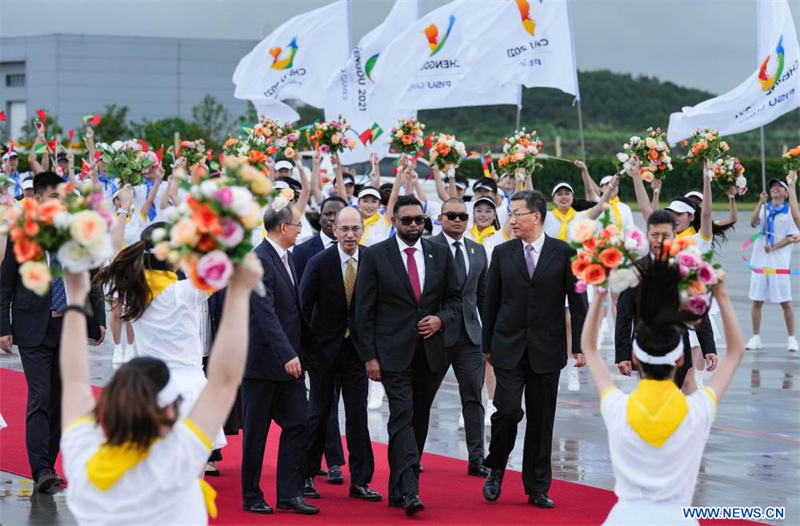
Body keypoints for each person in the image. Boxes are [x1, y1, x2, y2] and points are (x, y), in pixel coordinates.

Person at [59, 255, 263, 526]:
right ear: (169, 409)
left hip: (155, 376)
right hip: (184, 379)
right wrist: (241, 289)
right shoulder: (179, 460)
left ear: (109, 408)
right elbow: (225, 381)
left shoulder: (83, 461)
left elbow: (74, 385)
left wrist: (74, 298)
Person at [580, 248, 745, 526]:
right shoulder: (698, 409)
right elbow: (736, 351)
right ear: (681, 359)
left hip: (624, 518)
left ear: (634, 358)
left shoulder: (617, 407)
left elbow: (590, 350)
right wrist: (722, 294)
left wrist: (599, 294)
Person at [0, 171, 107, 491]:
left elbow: (92, 277)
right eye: (55, 197)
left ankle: (48, 462)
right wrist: (3, 327)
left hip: (69, 327)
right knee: (40, 395)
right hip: (32, 327)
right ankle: (41, 468)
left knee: (62, 399)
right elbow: (5, 284)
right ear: (38, 201)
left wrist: (98, 319)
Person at [355, 195, 461, 515]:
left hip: (430, 353)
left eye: (419, 220)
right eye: (407, 221)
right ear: (394, 222)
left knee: (419, 419)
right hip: (391, 352)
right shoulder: (375, 256)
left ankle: (397, 490)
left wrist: (441, 318)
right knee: (402, 415)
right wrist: (369, 357)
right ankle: (412, 491)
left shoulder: (440, 253)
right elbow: (363, 310)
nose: (414, 225)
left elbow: (455, 299)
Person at [481, 190, 588, 508]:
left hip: (548, 347)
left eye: (517, 214)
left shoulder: (565, 253)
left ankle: (537, 486)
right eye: (510, 214)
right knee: (508, 410)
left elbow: (578, 303)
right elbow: (491, 302)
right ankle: (496, 467)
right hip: (507, 346)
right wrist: (487, 345)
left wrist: (579, 346)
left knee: (542, 419)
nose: (511, 220)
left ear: (536, 217)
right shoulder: (502, 253)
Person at [94, 223, 227, 451]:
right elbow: (222, 267)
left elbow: (116, 249)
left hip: (148, 389)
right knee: (193, 477)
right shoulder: (185, 292)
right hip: (188, 387)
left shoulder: (132, 293)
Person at [242, 204, 320, 515]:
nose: (301, 230)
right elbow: (266, 314)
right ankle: (251, 495)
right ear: (283, 227)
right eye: (298, 225)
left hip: (292, 362)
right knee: (256, 432)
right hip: (263, 363)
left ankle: (289, 493)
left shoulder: (288, 258)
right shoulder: (259, 259)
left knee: (299, 423)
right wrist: (287, 353)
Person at [300, 207, 382, 502]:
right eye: (344, 229)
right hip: (323, 353)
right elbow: (303, 309)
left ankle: (360, 481)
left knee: (358, 416)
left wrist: (373, 352)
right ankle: (306, 475)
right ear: (334, 230)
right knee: (318, 413)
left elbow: (378, 307)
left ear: (363, 230)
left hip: (357, 353)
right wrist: (307, 353)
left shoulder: (372, 260)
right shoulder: (319, 262)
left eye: (355, 229)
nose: (350, 235)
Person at [615, 210, 716, 388]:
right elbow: (624, 315)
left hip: (679, 350)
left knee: (673, 401)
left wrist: (709, 348)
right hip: (644, 350)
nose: (660, 240)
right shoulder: (634, 270)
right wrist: (623, 354)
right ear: (647, 235)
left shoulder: (686, 269)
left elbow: (697, 311)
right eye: (655, 234)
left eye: (666, 235)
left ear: (675, 235)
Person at [292, 194, 348, 485]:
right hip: (316, 341)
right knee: (319, 405)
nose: (330, 218)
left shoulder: (359, 251)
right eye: (327, 214)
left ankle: (334, 461)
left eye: (336, 214)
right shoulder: (303, 252)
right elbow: (300, 300)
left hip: (348, 343)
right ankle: (315, 464)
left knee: (334, 402)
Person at [430, 198, 489, 477]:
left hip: (470, 336)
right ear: (440, 218)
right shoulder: (428, 248)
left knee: (473, 398)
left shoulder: (478, 251)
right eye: (451, 215)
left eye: (463, 216)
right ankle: (412, 455)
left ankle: (477, 459)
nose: (458, 220)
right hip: (435, 335)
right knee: (422, 397)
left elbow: (484, 297)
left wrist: (489, 336)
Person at [543, 179, 615, 392]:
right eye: (559, 193)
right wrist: (525, 173)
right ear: (553, 198)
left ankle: (573, 367)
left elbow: (601, 206)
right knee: (554, 322)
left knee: (571, 320)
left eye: (567, 193)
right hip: (552, 276)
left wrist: (610, 188)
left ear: (572, 197)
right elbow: (528, 193)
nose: (563, 197)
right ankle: (556, 363)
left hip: (576, 274)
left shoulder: (582, 217)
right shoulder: (546, 218)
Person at [745, 178, 798, 352]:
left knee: (785, 302)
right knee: (757, 300)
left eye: (779, 187)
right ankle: (755, 337)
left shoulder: (790, 212)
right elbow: (753, 223)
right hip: (760, 261)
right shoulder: (765, 209)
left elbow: (792, 236)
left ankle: (792, 339)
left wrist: (773, 247)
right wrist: (760, 203)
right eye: (773, 187)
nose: (775, 189)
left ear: (786, 193)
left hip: (778, 262)